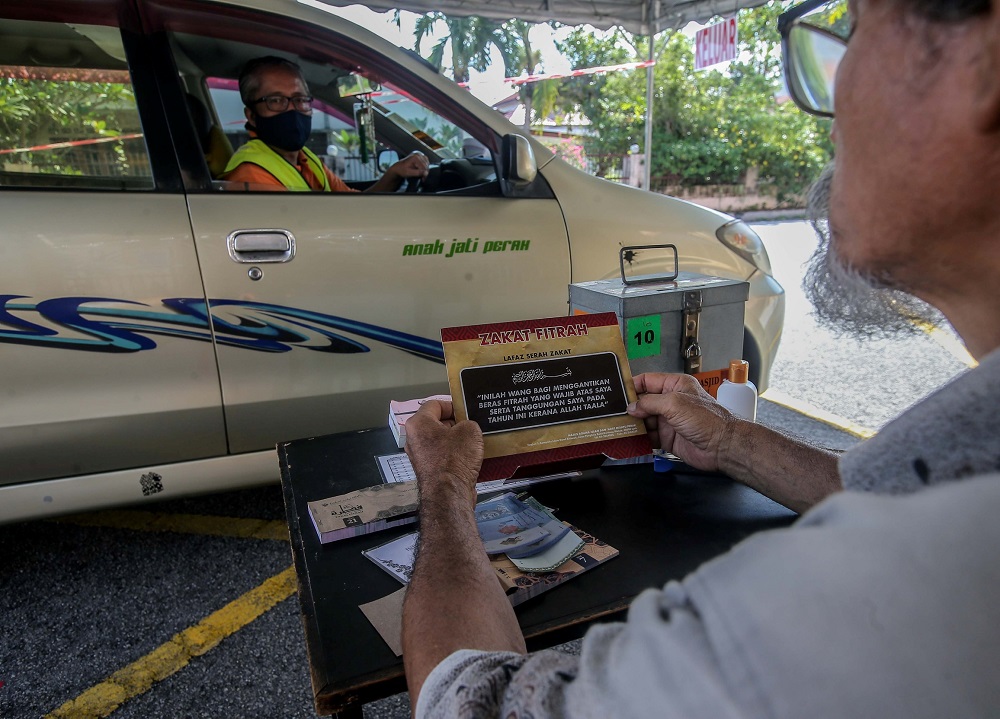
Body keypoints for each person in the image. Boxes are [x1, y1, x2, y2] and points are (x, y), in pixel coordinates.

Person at [399, 0, 1000, 716]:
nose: (828, 108)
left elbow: (464, 703)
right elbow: (892, 495)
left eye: (855, 31)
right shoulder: (964, 467)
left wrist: (442, 486)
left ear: (986, 57)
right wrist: (733, 439)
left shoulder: (826, 615)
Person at [221, 56, 428, 191]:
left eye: (300, 100)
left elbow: (354, 205)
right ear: (252, 116)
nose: (292, 109)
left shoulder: (306, 159)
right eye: (276, 100)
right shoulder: (251, 174)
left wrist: (394, 173)